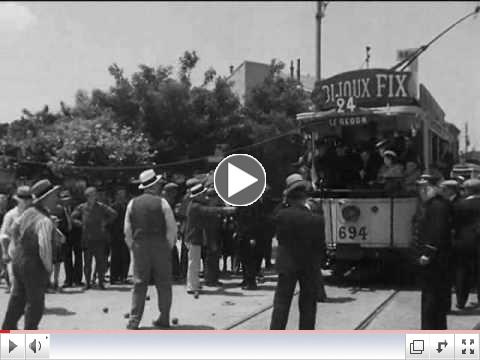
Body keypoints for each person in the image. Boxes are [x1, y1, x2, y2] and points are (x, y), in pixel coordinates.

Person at [2, 179, 61, 330]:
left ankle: (5, 332)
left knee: (17, 299)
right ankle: (31, 343)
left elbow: (14, 229)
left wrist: (16, 251)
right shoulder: (44, 220)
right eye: (54, 196)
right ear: (46, 198)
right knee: (35, 304)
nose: (57, 199)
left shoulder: (28, 212)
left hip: (19, 261)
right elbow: (44, 247)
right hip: (35, 265)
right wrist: (48, 268)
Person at [270, 174, 325, 330]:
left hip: (286, 265)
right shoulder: (317, 219)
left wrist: (283, 200)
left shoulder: (282, 215)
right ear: (305, 197)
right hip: (309, 266)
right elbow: (320, 245)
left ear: (289, 197)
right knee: (308, 304)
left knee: (281, 303)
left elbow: (275, 226)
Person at [124, 169, 177, 329]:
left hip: (140, 245)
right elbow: (171, 227)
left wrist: (133, 246)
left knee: (139, 283)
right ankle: (164, 317)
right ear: (155, 185)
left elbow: (127, 229)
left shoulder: (132, 203)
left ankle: (134, 320)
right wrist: (168, 245)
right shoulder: (162, 202)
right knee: (164, 283)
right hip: (160, 243)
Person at [414, 175, 452, 329]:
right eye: (420, 188)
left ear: (435, 188)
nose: (422, 191)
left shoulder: (437, 206)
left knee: (432, 298)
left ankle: (431, 331)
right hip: (435, 259)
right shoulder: (432, 204)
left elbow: (438, 231)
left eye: (425, 187)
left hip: (435, 260)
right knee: (432, 297)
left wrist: (428, 253)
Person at [184, 183, 235, 294]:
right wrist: (225, 210)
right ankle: (192, 286)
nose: (205, 196)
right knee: (194, 263)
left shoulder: (196, 204)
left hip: (195, 237)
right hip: (193, 237)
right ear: (197, 195)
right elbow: (209, 210)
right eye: (202, 194)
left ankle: (194, 284)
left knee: (195, 263)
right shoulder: (195, 206)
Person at [72, 186, 117, 290]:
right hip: (87, 238)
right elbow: (73, 217)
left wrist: (105, 222)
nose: (94, 197)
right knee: (87, 263)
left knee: (100, 262)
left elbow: (114, 214)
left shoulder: (101, 207)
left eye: (94, 195)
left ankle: (101, 283)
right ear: (87, 197)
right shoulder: (82, 207)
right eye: (91, 195)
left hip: (99, 238)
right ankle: (88, 283)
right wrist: (81, 224)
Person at [452, 179, 480, 309]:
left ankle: (461, 301)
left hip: (464, 241)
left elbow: (455, 224)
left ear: (468, 190)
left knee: (463, 271)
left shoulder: (460, 205)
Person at [0, 186, 33, 294]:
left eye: (29, 199)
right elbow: (4, 235)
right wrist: (5, 253)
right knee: (16, 282)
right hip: (15, 255)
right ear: (19, 201)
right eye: (25, 200)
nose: (28, 202)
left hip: (32, 255)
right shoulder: (10, 215)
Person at [109, 187, 131, 285]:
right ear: (116, 196)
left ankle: (124, 276)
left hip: (126, 234)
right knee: (115, 256)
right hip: (115, 235)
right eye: (120, 195)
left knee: (126, 256)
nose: (122, 197)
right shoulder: (112, 207)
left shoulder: (128, 206)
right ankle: (114, 277)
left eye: (123, 195)